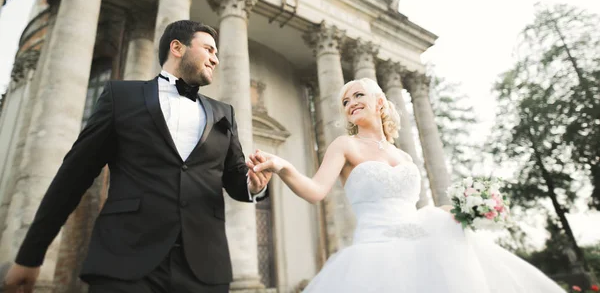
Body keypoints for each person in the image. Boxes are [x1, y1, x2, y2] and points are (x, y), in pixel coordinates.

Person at [3, 20, 271, 293]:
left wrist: (254, 185)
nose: (215, 59)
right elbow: (73, 176)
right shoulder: (121, 98)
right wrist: (31, 255)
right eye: (209, 49)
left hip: (204, 272)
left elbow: (235, 178)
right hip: (124, 265)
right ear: (177, 48)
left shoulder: (225, 113)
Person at [249, 77, 566, 292]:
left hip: (422, 241)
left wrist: (463, 210)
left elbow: (415, 209)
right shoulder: (344, 146)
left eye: (359, 95)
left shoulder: (404, 155)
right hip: (374, 251)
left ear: (381, 103)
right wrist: (281, 165)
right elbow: (315, 191)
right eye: (346, 100)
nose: (351, 102)